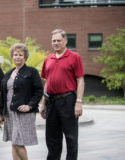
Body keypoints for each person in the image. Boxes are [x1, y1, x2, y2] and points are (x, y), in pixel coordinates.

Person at [40, 29, 85, 160]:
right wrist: (43, 104)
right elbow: (47, 82)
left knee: (71, 137)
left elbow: (80, 80)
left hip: (68, 100)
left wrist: (79, 102)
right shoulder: (48, 59)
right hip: (51, 102)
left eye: (59, 40)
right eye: (53, 40)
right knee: (52, 139)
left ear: (65, 41)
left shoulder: (74, 57)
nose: (56, 43)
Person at [0, 43, 43, 160]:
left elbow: (39, 91)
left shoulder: (31, 72)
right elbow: (2, 96)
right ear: (12, 56)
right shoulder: (7, 74)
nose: (17, 57)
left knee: (18, 143)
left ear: (25, 57)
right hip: (9, 112)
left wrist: (30, 106)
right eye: (15, 54)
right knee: (14, 141)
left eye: (20, 55)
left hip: (23, 113)